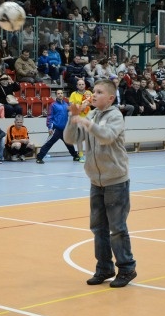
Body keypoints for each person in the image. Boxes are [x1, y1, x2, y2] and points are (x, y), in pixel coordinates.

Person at [64, 78, 137, 288]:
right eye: (93, 91)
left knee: (117, 228)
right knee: (98, 227)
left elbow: (106, 136)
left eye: (99, 92)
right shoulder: (93, 114)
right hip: (96, 181)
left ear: (111, 98)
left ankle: (127, 268)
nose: (93, 95)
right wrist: (74, 116)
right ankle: (104, 267)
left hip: (116, 181)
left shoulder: (115, 116)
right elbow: (70, 138)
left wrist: (86, 122)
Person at [36, 89, 80, 164]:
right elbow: (50, 117)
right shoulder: (53, 105)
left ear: (63, 95)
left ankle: (75, 156)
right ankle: (39, 158)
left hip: (65, 129)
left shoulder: (66, 104)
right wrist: (50, 128)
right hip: (56, 129)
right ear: (56, 95)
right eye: (58, 93)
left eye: (61, 93)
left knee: (69, 144)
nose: (60, 94)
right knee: (49, 143)